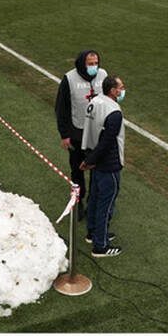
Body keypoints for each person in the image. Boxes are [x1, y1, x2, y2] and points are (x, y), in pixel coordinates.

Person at [54, 50, 107, 221]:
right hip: (78, 132)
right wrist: (64, 134)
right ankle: (78, 201)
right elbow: (61, 108)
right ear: (81, 63)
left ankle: (94, 202)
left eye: (96, 63)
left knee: (96, 168)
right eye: (90, 63)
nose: (94, 66)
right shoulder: (69, 79)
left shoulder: (103, 75)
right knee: (77, 169)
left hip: (98, 131)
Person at [80, 74, 127, 257]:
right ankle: (101, 245)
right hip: (108, 164)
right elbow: (107, 141)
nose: (123, 90)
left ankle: (93, 233)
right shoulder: (113, 112)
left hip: (95, 160)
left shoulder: (95, 102)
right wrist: (91, 160)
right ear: (113, 91)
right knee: (105, 204)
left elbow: (89, 132)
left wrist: (88, 158)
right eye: (121, 87)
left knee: (94, 198)